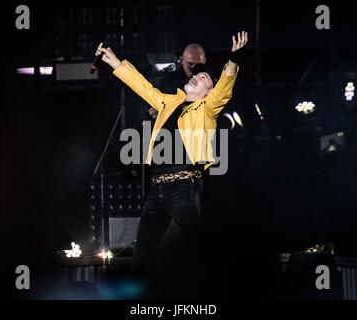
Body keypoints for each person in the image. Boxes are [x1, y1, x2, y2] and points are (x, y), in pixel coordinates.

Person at [95, 31, 248, 297]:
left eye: (203, 78)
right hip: (157, 189)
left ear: (206, 93)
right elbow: (142, 86)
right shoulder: (169, 101)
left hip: (184, 187)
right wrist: (114, 61)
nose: (197, 76)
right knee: (143, 252)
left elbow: (224, 87)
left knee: (187, 245)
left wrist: (233, 59)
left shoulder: (207, 108)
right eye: (196, 74)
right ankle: (149, 299)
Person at [148, 43, 207, 119]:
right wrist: (155, 110)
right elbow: (153, 103)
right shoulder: (168, 81)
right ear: (182, 60)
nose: (194, 67)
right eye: (190, 63)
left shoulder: (212, 83)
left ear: (205, 61)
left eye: (198, 65)